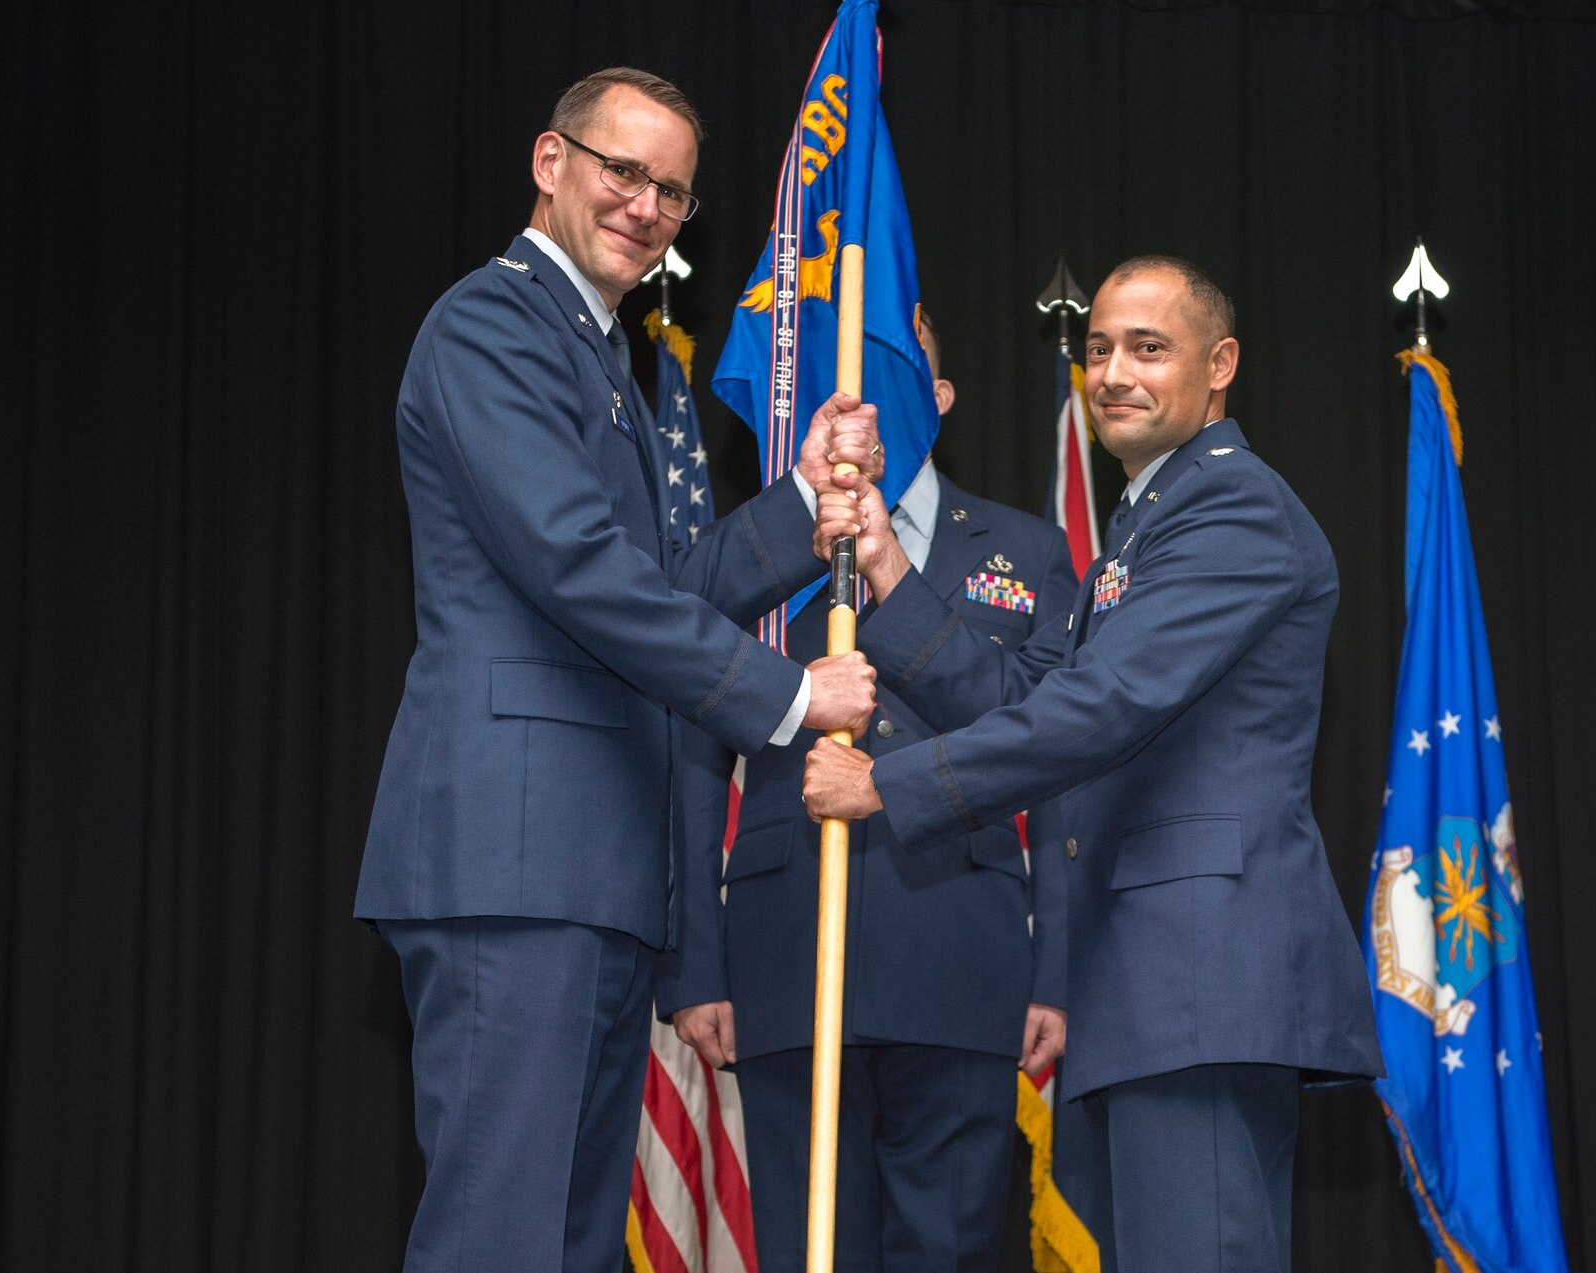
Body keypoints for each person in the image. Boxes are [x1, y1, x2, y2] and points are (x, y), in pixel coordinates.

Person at [355, 67, 884, 1272]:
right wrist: (792, 700)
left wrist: (802, 499)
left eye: (674, 193)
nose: (645, 206)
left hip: (592, 867)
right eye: (622, 171)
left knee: (574, 1239)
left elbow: (665, 591)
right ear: (551, 163)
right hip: (512, 857)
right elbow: (575, 569)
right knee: (502, 1233)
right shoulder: (490, 324)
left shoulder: (613, 361)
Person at [804, 257, 1383, 1271]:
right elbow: (1027, 703)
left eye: (1148, 348)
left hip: (1200, 981)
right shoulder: (1140, 528)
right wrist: (891, 576)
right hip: (1147, 986)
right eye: (1102, 347)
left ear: (1220, 365)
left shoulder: (1232, 510)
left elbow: (1099, 709)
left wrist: (883, 788)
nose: (1112, 371)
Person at [658, 313, 1079, 1271]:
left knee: (953, 1251)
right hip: (786, 952)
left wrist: (1053, 965)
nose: (862, 401)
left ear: (939, 400)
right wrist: (693, 963)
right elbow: (689, 743)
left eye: (895, 373)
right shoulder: (758, 547)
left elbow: (1049, 751)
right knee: (813, 1250)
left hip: (960, 952)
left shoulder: (1026, 548)